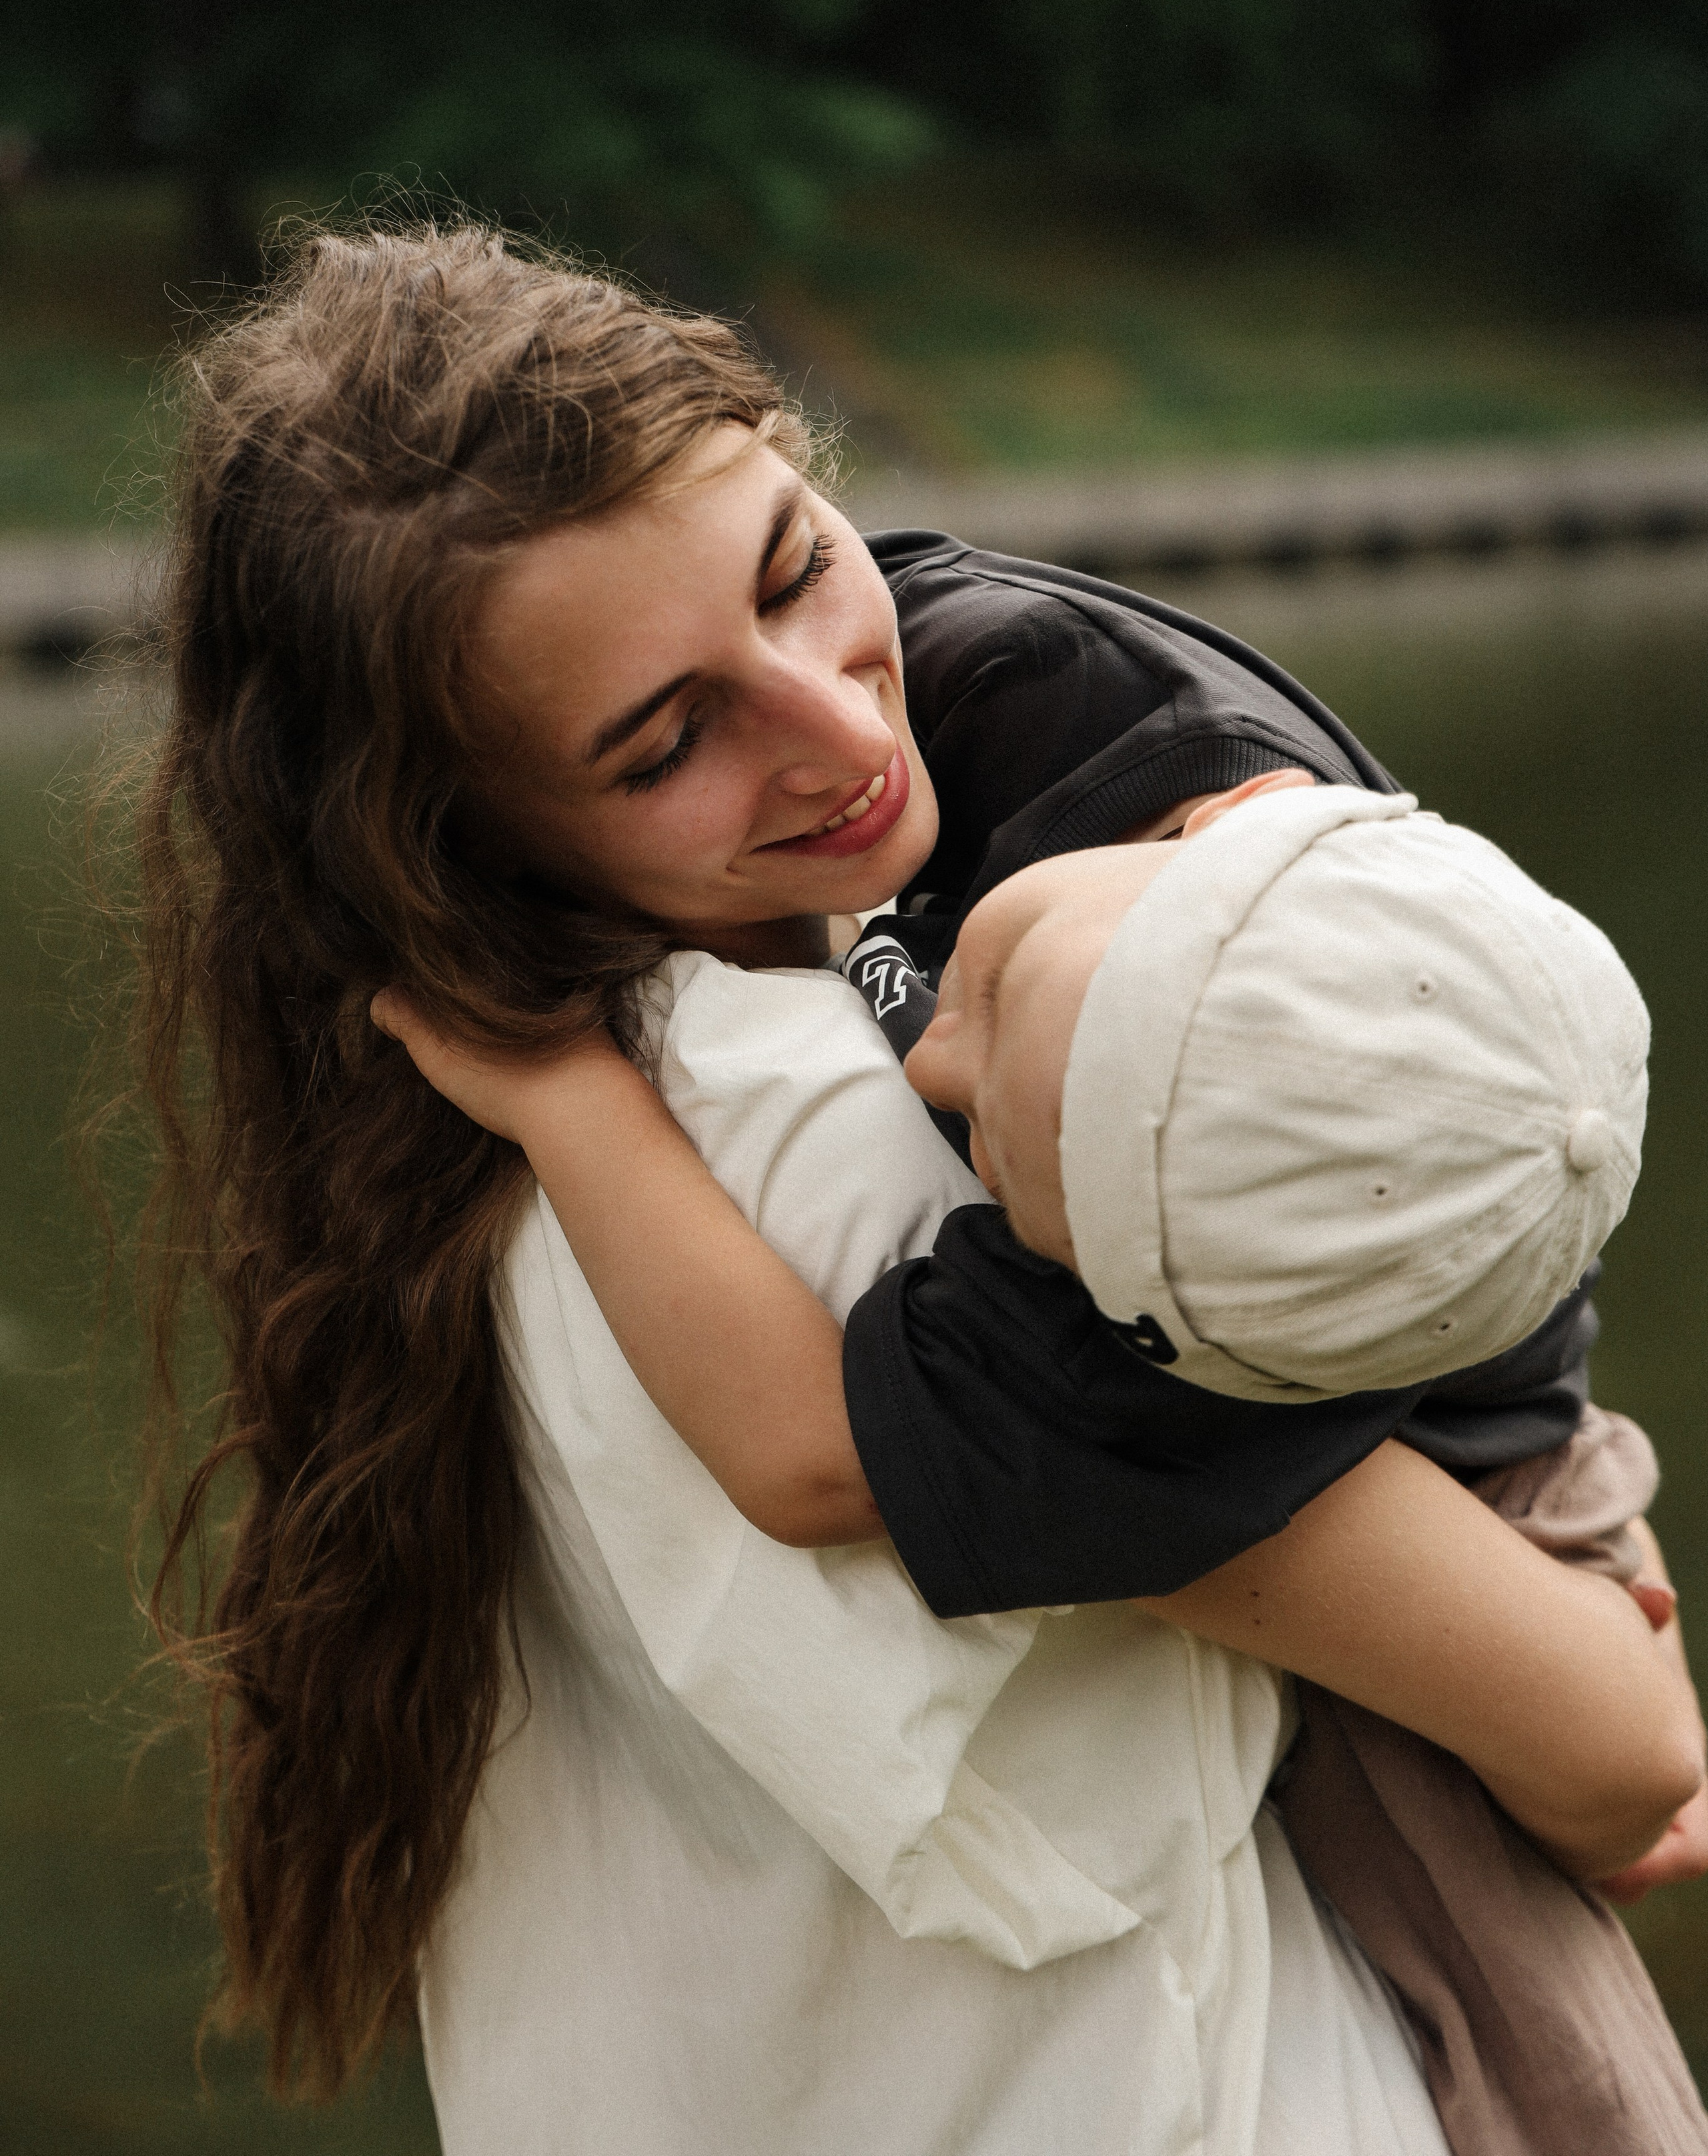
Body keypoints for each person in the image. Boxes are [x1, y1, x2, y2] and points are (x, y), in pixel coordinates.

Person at [133, 221, 1699, 2156]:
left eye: (800, 571)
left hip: (1434, 1396)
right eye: (666, 740)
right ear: (454, 848)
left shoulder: (1150, 1089)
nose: (845, 731)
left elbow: (1637, 1768)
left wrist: (558, 1090)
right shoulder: (841, 1129)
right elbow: (1616, 1759)